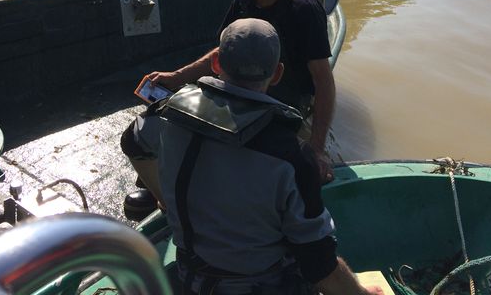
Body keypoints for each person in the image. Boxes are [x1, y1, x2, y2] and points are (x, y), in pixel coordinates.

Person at [121, 18, 380, 295]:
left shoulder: (164, 116)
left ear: (217, 63)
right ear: (277, 73)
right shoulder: (292, 156)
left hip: (192, 280)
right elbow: (320, 265)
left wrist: (165, 198)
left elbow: (132, 143)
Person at [123, 0, 336, 213]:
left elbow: (323, 81)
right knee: (175, 123)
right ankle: (164, 190)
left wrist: (317, 147)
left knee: (304, 174)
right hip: (238, 89)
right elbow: (223, 52)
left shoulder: (304, 8)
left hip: (285, 100)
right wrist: (177, 77)